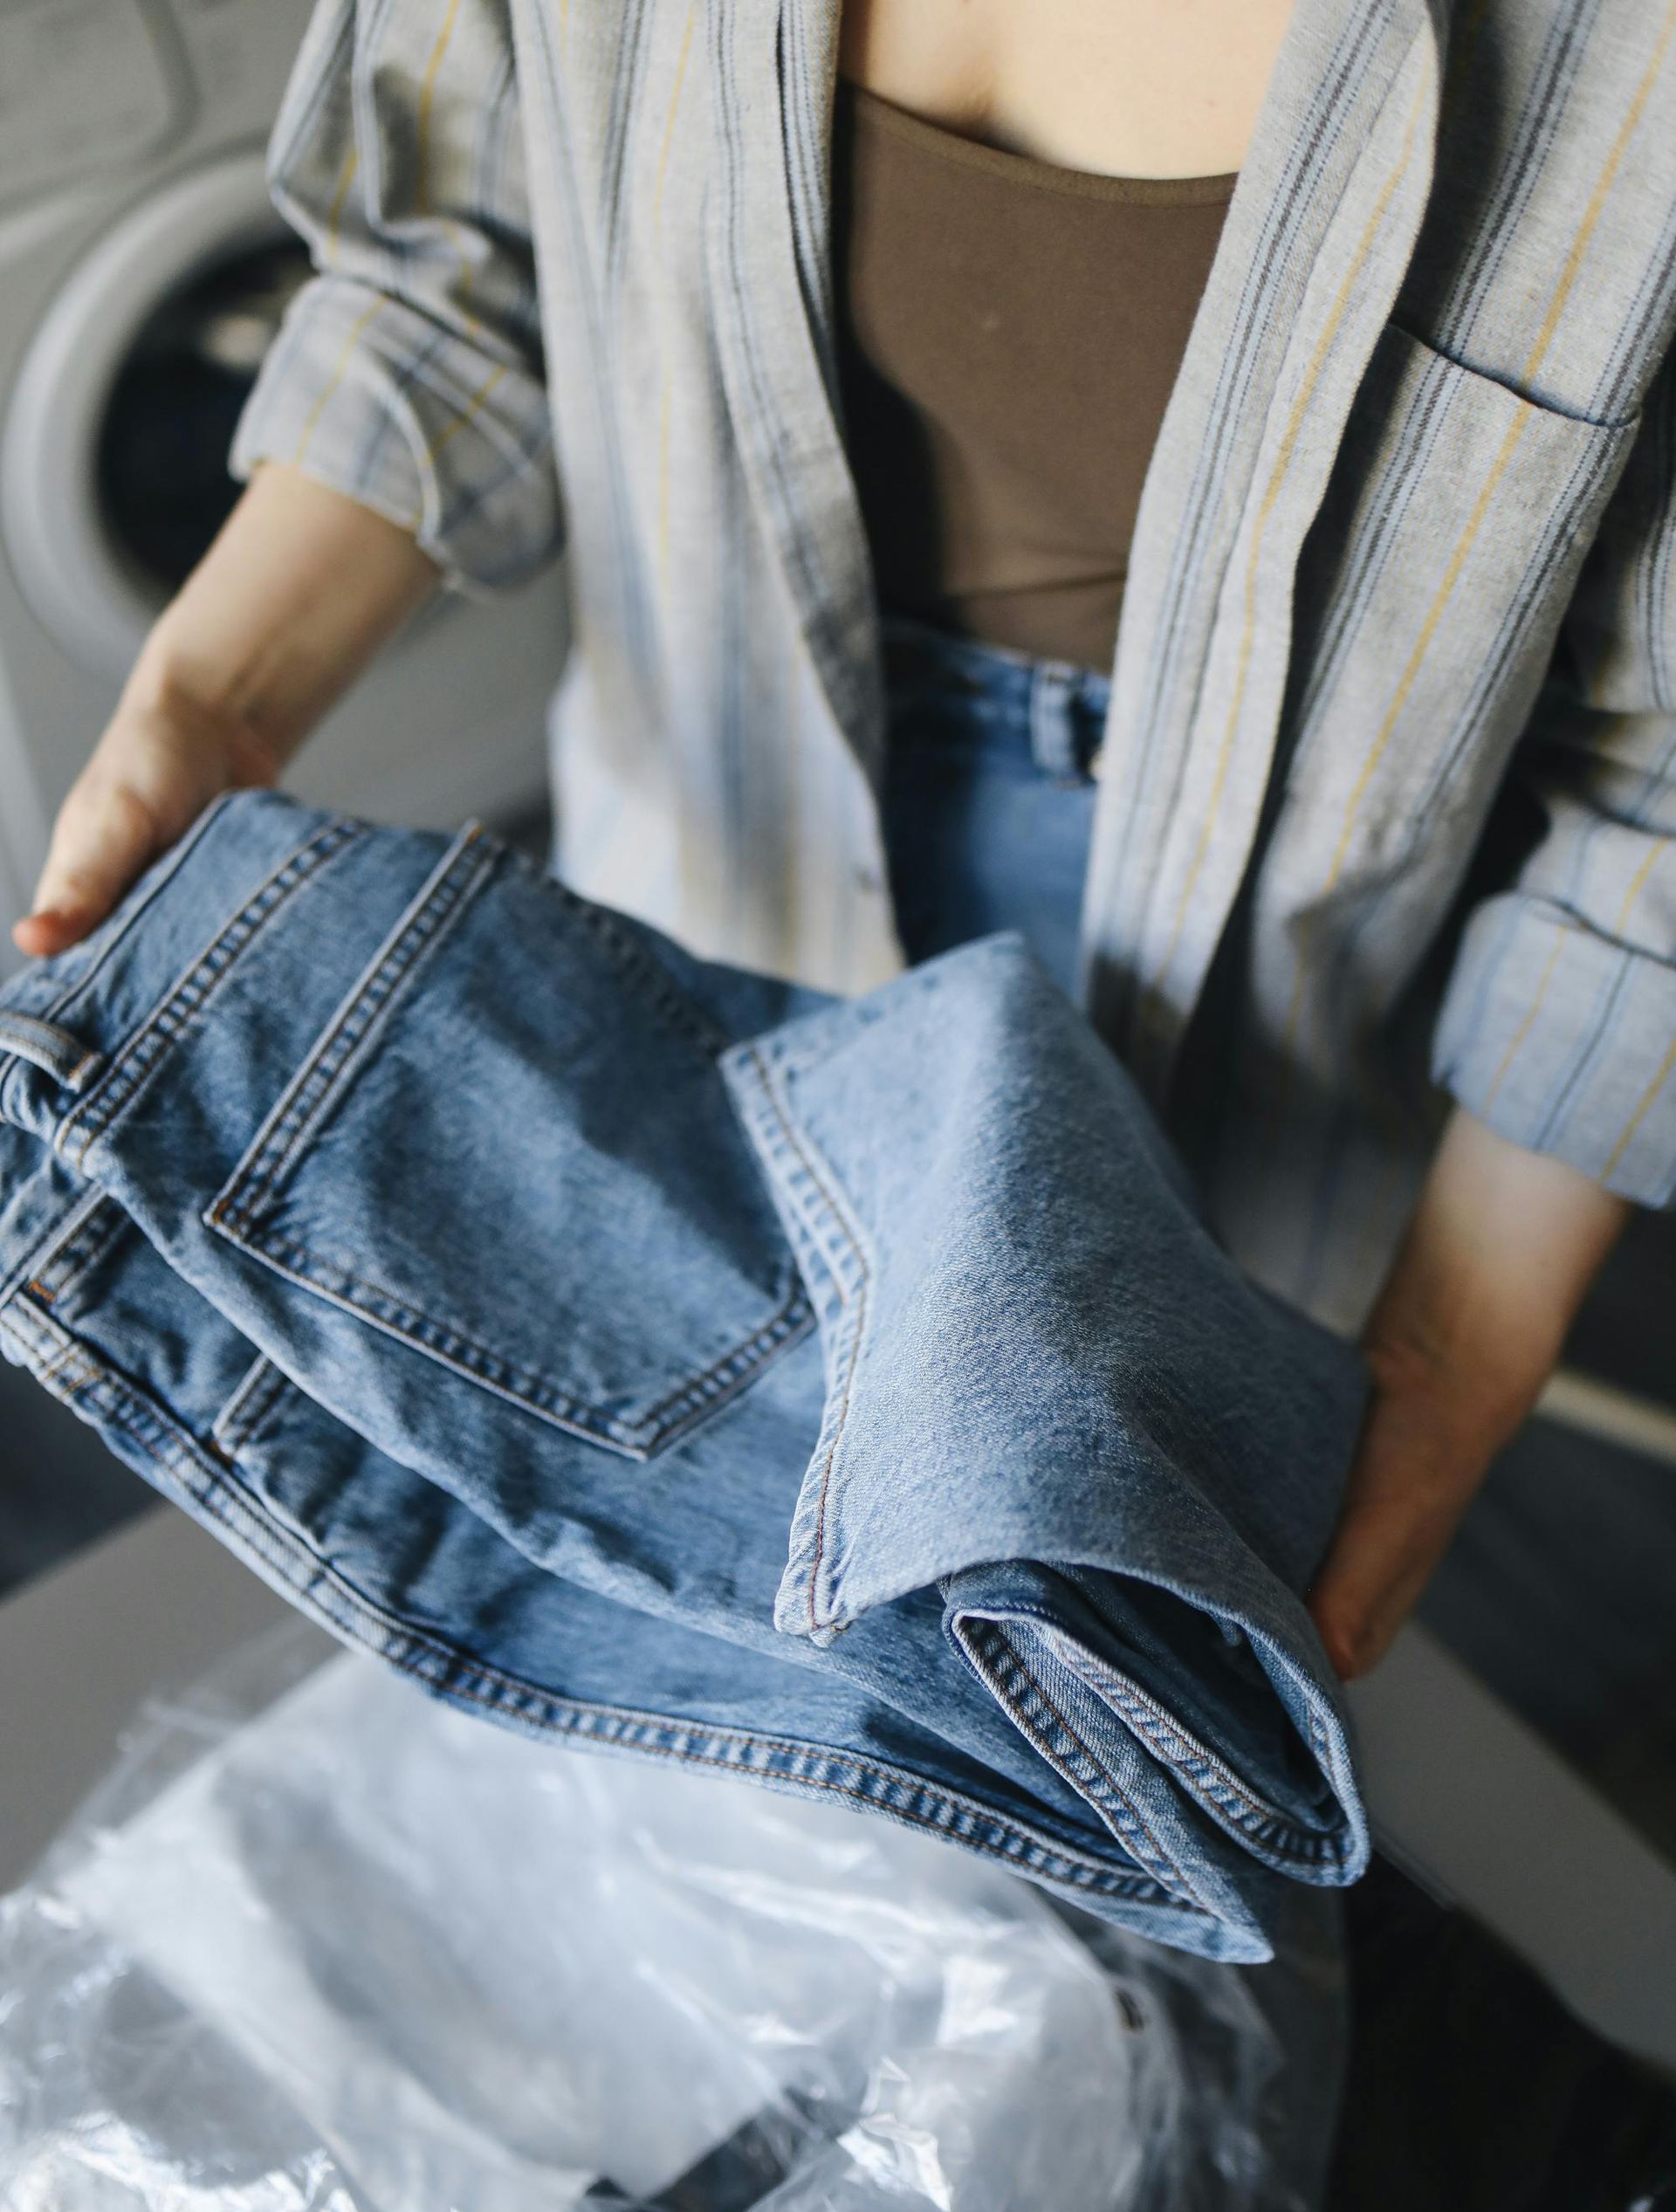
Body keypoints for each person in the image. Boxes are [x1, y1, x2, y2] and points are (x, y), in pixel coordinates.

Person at [16, 1, 1672, 1682]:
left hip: (1269, 1027)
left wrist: (1455, 1354)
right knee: (684, 1656)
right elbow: (460, 260)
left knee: (1068, 1721)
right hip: (703, 876)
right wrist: (207, 699)